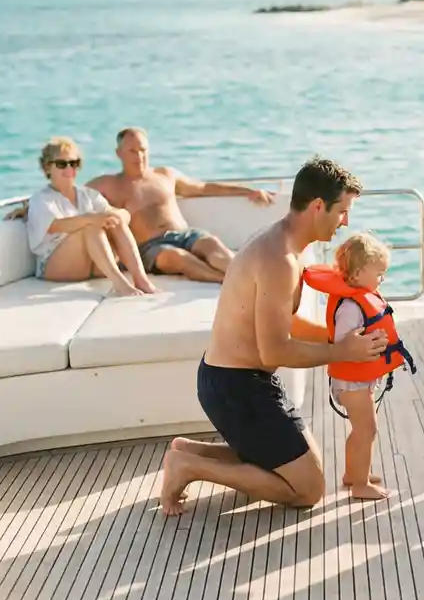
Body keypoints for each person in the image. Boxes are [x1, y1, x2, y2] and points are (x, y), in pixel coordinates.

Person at [158, 157, 389, 515]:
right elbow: (273, 351)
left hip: (237, 381)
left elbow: (287, 323)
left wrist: (347, 339)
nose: (346, 222)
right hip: (235, 388)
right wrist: (344, 351)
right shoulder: (278, 259)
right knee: (309, 488)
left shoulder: (292, 244)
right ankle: (190, 467)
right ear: (317, 206)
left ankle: (189, 451)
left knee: (294, 464)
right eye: (342, 211)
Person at [302, 233, 416, 501]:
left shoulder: (358, 296)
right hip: (351, 380)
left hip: (356, 379)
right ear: (361, 271)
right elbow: (345, 343)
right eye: (379, 273)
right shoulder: (351, 306)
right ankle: (360, 485)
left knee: (360, 428)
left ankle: (353, 474)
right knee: (367, 429)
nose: (382, 279)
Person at [86, 127, 275, 283]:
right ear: (119, 153)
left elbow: (203, 188)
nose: (139, 156)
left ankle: (253, 278)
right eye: (132, 151)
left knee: (213, 245)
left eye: (143, 150)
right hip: (150, 248)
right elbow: (73, 196)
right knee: (176, 258)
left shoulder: (165, 175)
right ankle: (228, 281)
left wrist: (248, 191)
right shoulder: (108, 184)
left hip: (186, 235)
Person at [25, 136, 156, 297]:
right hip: (55, 267)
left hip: (89, 264)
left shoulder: (88, 195)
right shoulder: (42, 198)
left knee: (113, 220)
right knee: (91, 227)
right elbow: (56, 226)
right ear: (47, 168)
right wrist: (91, 219)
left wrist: (117, 215)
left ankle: (141, 279)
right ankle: (120, 284)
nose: (69, 169)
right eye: (61, 164)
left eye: (74, 164)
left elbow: (123, 215)